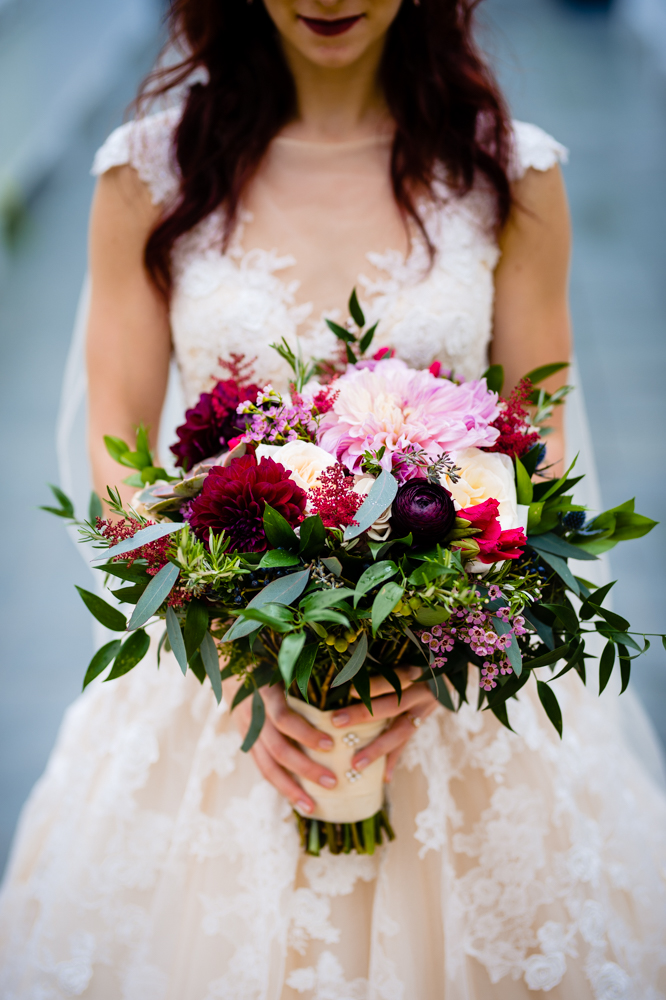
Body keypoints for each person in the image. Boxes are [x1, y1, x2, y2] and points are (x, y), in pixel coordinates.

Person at [1, 0, 665, 996]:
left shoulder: (511, 176)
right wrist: (237, 666)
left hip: (450, 687)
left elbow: (543, 453)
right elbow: (119, 462)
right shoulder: (146, 178)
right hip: (222, 679)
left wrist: (443, 633)